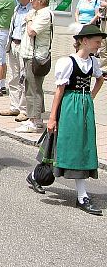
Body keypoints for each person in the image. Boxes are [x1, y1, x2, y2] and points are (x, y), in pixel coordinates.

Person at [36, 24, 105, 215]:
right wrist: (52, 117)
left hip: (84, 107)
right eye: (96, 41)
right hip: (68, 105)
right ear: (84, 41)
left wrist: (90, 96)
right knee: (65, 143)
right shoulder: (68, 62)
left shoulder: (93, 62)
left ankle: (35, 175)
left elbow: (100, 79)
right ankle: (82, 196)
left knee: (80, 144)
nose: (99, 44)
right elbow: (59, 91)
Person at [17, 0, 53, 134]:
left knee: (34, 89)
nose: (31, 2)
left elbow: (32, 32)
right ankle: (33, 118)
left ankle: (35, 120)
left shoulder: (44, 14)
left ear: (40, 0)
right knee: (29, 87)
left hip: (36, 57)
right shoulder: (37, 12)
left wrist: (30, 19)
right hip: (28, 54)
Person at [0, 0, 32, 122]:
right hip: (14, 43)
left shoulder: (33, 10)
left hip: (25, 46)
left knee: (24, 78)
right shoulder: (17, 8)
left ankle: (24, 109)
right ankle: (14, 106)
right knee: (14, 77)